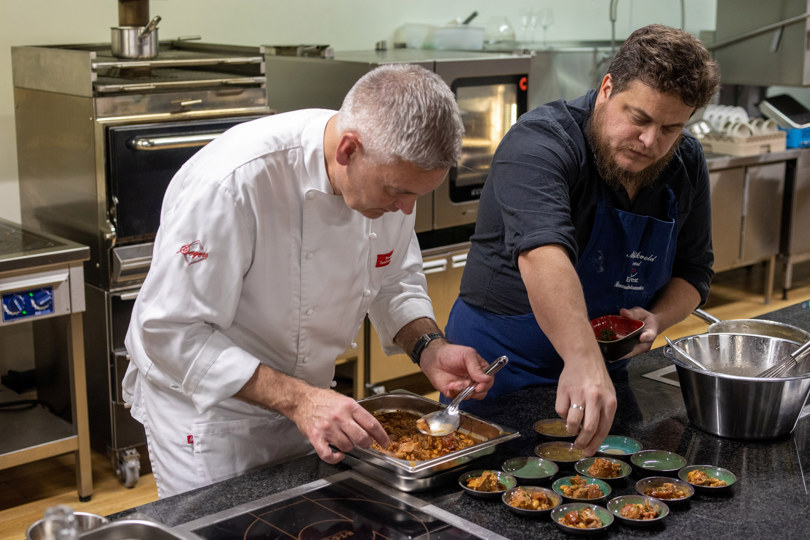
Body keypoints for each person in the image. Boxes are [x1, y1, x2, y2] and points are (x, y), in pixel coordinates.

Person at [122, 64, 496, 498]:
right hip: (213, 415)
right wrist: (300, 399)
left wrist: (430, 347)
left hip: (312, 405)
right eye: (397, 191)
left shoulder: (389, 179)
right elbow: (169, 332)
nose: (405, 209)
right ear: (348, 150)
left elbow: (393, 280)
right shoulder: (232, 183)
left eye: (417, 195)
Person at [445, 24, 721, 455]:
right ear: (607, 88)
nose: (651, 142)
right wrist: (582, 359)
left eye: (671, 128)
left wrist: (657, 319)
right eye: (639, 118)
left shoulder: (685, 162)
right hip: (499, 374)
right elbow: (543, 256)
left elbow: (694, 270)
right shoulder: (540, 143)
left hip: (603, 373)